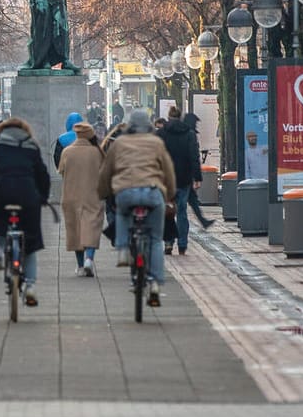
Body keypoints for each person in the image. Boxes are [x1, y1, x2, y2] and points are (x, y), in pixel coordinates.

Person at [97, 106, 176, 305]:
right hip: (152, 192)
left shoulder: (119, 143)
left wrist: (103, 192)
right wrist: (170, 193)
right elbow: (168, 171)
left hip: (126, 192)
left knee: (123, 214)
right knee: (156, 239)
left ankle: (123, 248)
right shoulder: (157, 143)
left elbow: (106, 171)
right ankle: (156, 283)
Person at [0, 117, 51, 305]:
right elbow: (43, 175)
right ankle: (31, 286)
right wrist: (42, 197)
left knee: (0, 218)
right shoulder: (31, 147)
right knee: (31, 243)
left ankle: (0, 251)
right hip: (27, 195)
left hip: (2, 192)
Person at [160, 107, 212, 247]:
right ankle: (182, 243)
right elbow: (194, 157)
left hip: (166, 179)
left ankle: (168, 242)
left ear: (169, 116)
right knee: (182, 211)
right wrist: (198, 177)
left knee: (168, 210)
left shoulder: (161, 133)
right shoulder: (189, 134)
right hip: (184, 178)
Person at [58, 119, 104, 275]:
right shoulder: (97, 152)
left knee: (75, 229)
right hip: (93, 195)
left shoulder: (67, 151)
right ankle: (89, 258)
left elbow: (61, 171)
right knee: (91, 226)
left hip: (71, 196)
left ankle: (79, 266)